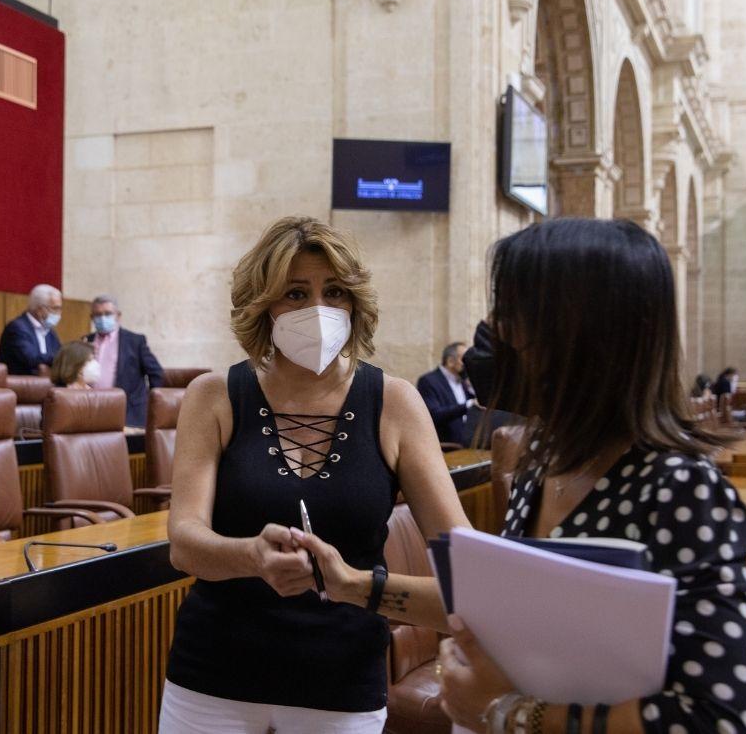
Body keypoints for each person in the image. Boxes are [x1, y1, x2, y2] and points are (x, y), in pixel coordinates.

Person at [438, 218, 746, 733]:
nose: (495, 335)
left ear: (582, 335)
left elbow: (721, 718)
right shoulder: (543, 460)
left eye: (512, 316)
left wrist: (509, 712)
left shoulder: (680, 489)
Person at [161, 216, 471, 733]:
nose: (318, 310)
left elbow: (466, 568)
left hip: (340, 683)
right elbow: (184, 543)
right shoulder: (214, 396)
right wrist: (251, 556)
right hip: (212, 675)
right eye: (296, 294)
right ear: (264, 305)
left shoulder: (394, 403)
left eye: (334, 293)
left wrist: (356, 585)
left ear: (355, 303)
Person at [82, 294, 164, 428]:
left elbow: (156, 373)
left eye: (108, 313)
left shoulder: (135, 341)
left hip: (128, 411)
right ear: (92, 318)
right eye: (98, 314)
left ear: (118, 315)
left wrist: (152, 403)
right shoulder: (85, 341)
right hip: (92, 409)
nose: (102, 318)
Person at [416, 341, 479, 447]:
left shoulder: (463, 381)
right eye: (464, 359)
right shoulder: (428, 381)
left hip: (469, 446)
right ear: (450, 361)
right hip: (446, 448)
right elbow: (434, 414)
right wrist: (468, 405)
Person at [0, 283, 63, 375]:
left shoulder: (50, 333)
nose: (59, 313)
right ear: (40, 310)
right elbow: (31, 358)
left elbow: (60, 355)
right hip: (19, 386)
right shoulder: (17, 328)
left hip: (45, 385)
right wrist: (59, 358)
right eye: (55, 309)